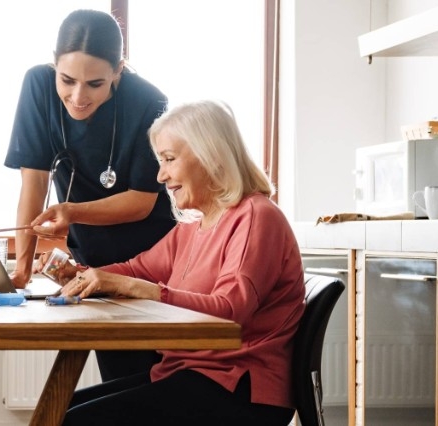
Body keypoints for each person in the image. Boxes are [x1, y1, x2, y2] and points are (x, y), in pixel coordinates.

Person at [0, 9, 176, 382]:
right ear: (53, 65)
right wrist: (22, 268)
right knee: (113, 380)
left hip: (148, 259)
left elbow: (142, 201)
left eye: (95, 84)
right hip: (89, 259)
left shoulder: (149, 103)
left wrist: (71, 212)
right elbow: (34, 182)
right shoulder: (38, 86)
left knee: (141, 379)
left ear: (118, 71)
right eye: (68, 79)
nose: (77, 97)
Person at [54, 100, 305, 425]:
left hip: (239, 386)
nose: (161, 175)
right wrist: (76, 274)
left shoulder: (256, 217)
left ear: (211, 154)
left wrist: (135, 288)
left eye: (169, 159)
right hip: (193, 374)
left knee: (75, 420)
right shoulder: (193, 228)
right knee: (58, 408)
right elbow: (135, 270)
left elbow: (230, 311)